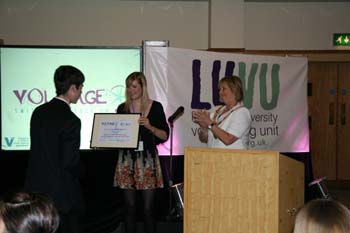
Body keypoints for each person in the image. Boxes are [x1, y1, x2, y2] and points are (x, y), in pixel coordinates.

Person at [24, 65, 86, 233]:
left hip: (35, 191)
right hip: (62, 196)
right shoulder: (71, 120)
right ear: (73, 88)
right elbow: (70, 162)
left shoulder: (38, 111)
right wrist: (85, 171)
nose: (81, 93)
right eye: (81, 88)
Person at [114, 71, 169, 233]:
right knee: (129, 207)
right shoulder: (122, 108)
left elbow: (165, 135)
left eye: (134, 86)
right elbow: (117, 135)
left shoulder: (156, 107)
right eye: (128, 87)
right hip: (126, 160)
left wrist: (150, 126)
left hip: (147, 160)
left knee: (148, 209)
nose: (131, 90)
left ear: (143, 87)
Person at [192, 75, 251, 149]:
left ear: (235, 90)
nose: (220, 92)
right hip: (214, 158)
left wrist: (209, 122)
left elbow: (228, 139)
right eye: (220, 89)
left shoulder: (242, 112)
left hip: (234, 159)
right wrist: (203, 127)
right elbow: (204, 139)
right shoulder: (217, 111)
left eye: (224, 89)